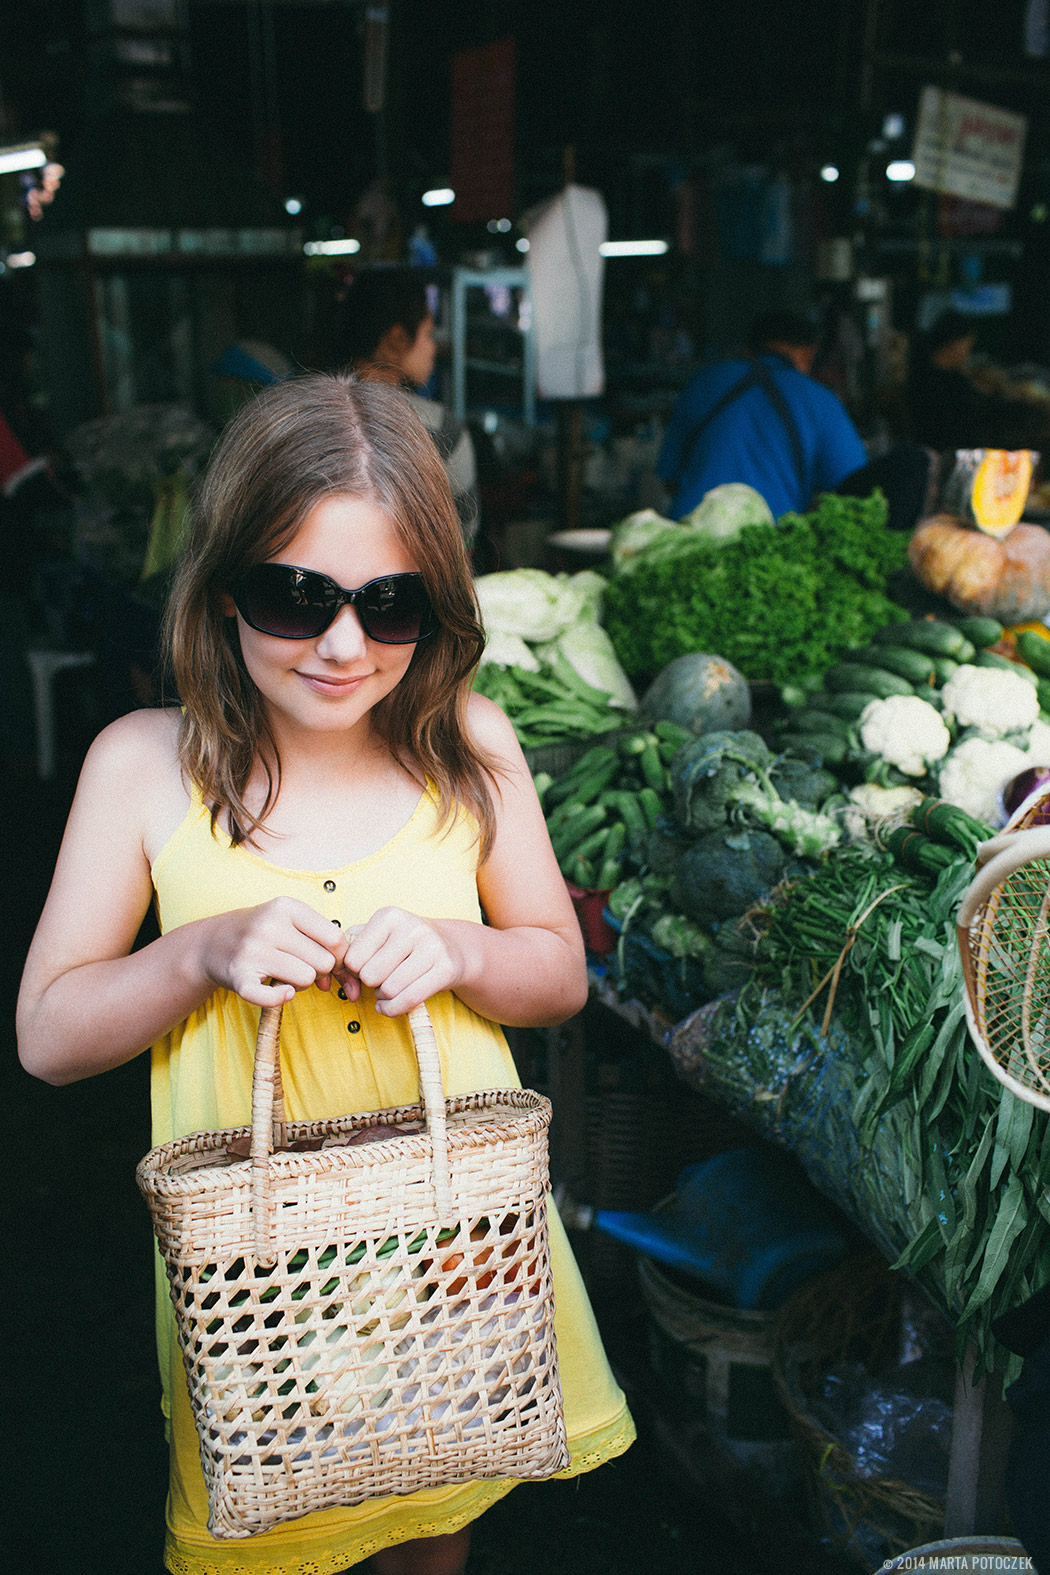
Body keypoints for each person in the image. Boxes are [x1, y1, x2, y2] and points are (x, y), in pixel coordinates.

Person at [16, 373, 635, 1575]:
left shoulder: (474, 746)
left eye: (389, 603)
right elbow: (47, 1033)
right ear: (222, 584)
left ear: (438, 605)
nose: (345, 645)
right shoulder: (144, 766)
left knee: (432, 1533)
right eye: (296, 597)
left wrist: (460, 952)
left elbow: (558, 975)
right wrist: (197, 952)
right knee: (275, 1533)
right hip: (255, 1281)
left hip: (452, 1254)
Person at [657, 308, 869, 520]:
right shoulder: (819, 399)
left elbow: (669, 479)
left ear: (747, 349)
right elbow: (857, 489)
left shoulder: (702, 383)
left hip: (688, 536)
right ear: (809, 353)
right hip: (769, 539)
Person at [333, 271, 480, 550]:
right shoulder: (440, 429)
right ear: (396, 340)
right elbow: (465, 541)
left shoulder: (298, 416)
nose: (433, 348)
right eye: (428, 334)